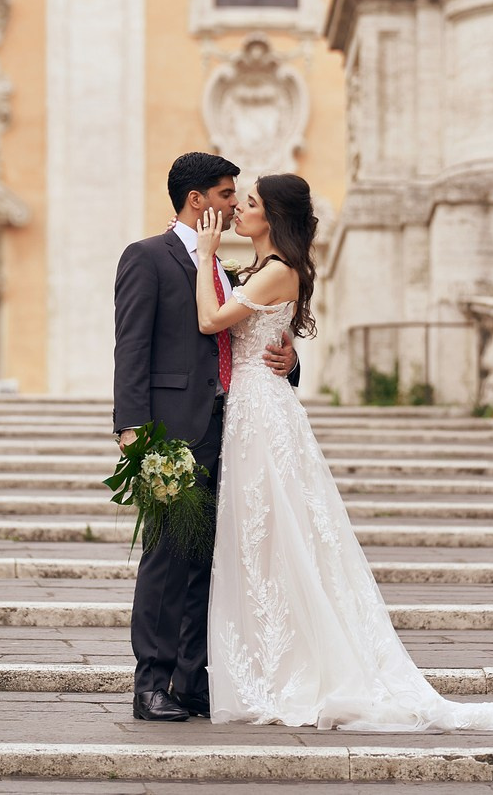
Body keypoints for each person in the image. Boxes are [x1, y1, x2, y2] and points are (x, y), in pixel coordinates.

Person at [196, 173, 493, 733]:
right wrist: (286, 351)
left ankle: (292, 668)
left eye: (247, 204)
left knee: (276, 533)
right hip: (255, 406)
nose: (237, 212)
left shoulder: (275, 272)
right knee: (264, 535)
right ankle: (275, 659)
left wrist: (203, 255)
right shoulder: (265, 272)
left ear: (271, 215)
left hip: (262, 413)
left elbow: (209, 321)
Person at [112, 151, 300, 723]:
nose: (233, 205)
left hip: (235, 429)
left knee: (207, 561)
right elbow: (132, 347)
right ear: (198, 200)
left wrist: (289, 361)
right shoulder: (148, 257)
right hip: (173, 430)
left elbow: (256, 343)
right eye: (226, 195)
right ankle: (151, 684)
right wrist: (131, 430)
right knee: (166, 558)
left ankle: (192, 681)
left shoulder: (227, 268)